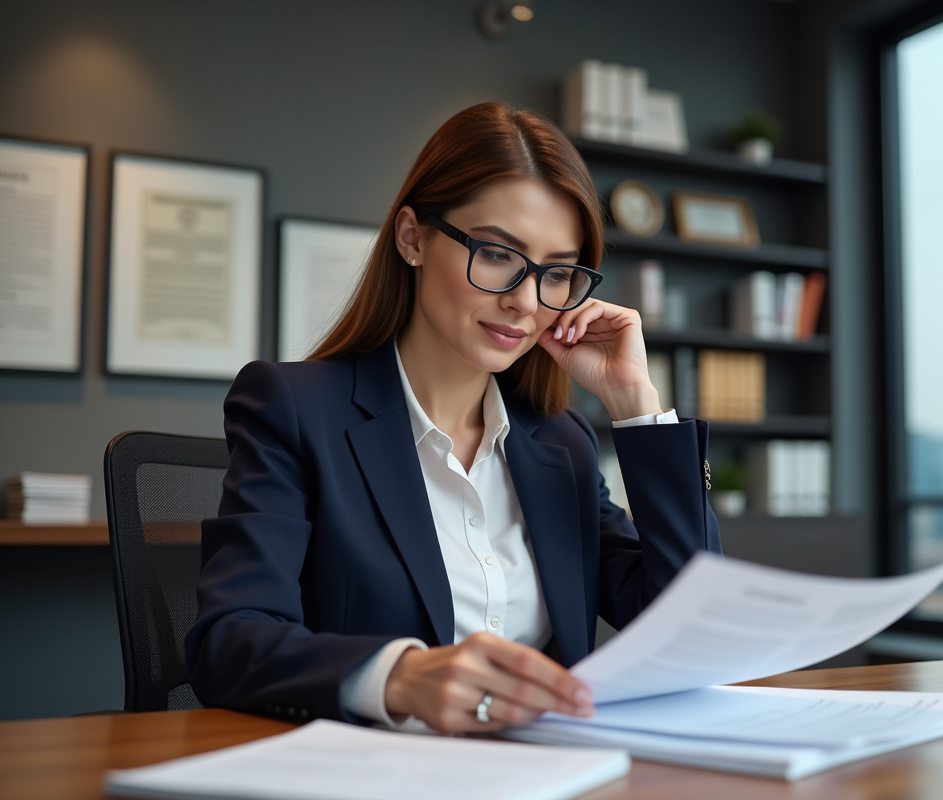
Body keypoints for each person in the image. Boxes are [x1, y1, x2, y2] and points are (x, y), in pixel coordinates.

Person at [186, 101, 721, 734]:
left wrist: (638, 408)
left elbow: (688, 621)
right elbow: (230, 640)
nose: (526, 302)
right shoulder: (296, 409)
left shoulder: (560, 445)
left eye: (556, 273)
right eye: (497, 254)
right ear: (412, 238)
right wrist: (402, 676)